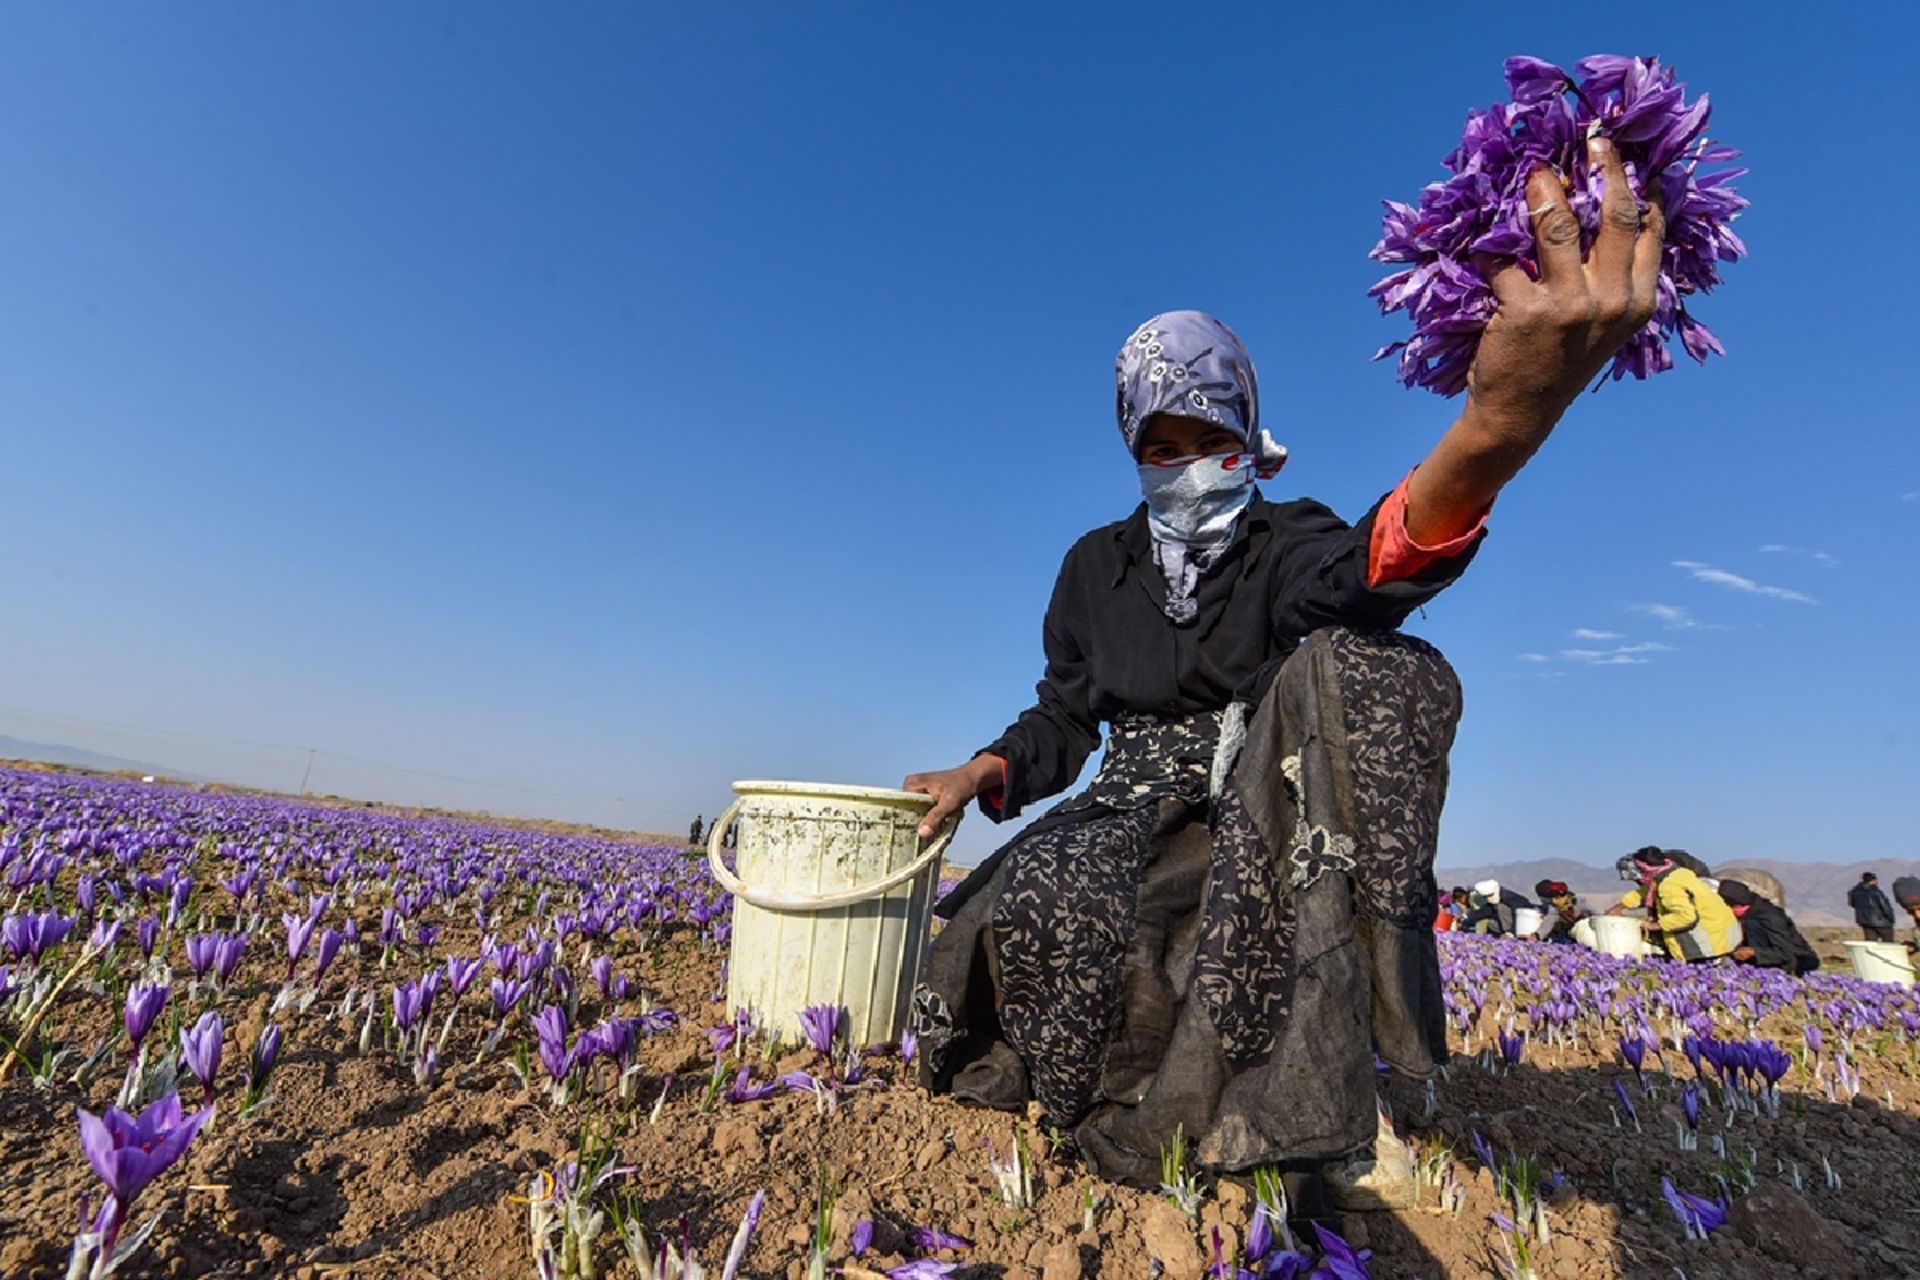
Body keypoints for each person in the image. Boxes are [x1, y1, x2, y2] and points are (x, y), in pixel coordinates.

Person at [901, 139, 1668, 1208]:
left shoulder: (1285, 539)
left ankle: (1341, 1082)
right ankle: (1160, 1075)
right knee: (1043, 899)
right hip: (1122, 805)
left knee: (1368, 666)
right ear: (1133, 449)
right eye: (1159, 446)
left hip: (1251, 806)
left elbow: (1369, 573)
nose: (1185, 466)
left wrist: (1498, 426)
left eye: (1208, 435)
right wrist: (980, 770)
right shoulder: (1093, 565)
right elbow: (1064, 718)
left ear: (1246, 430)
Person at [1622, 845, 1740, 963]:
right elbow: (1647, 892)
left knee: (1704, 969)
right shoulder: (1676, 872)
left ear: (1646, 868)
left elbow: (1685, 917)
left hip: (1706, 942)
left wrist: (1654, 925)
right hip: (1723, 933)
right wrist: (1622, 905)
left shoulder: (1669, 885)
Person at [1720, 879, 1818, 975]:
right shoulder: (1751, 911)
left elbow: (1786, 953)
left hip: (1794, 962)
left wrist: (1753, 952)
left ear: (1737, 905)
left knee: (1752, 925)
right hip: (1767, 960)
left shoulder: (1770, 917)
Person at [1534, 880, 1589, 945]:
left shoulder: (1577, 902)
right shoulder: (1556, 906)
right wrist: (1538, 935)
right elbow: (1551, 919)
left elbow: (1550, 919)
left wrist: (1537, 935)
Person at [1848, 871, 1896, 943]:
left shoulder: (1854, 892)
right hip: (1882, 922)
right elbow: (1885, 907)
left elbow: (1852, 904)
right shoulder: (1876, 892)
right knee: (1888, 942)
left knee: (1871, 943)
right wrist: (1891, 918)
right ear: (1873, 880)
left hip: (1865, 922)